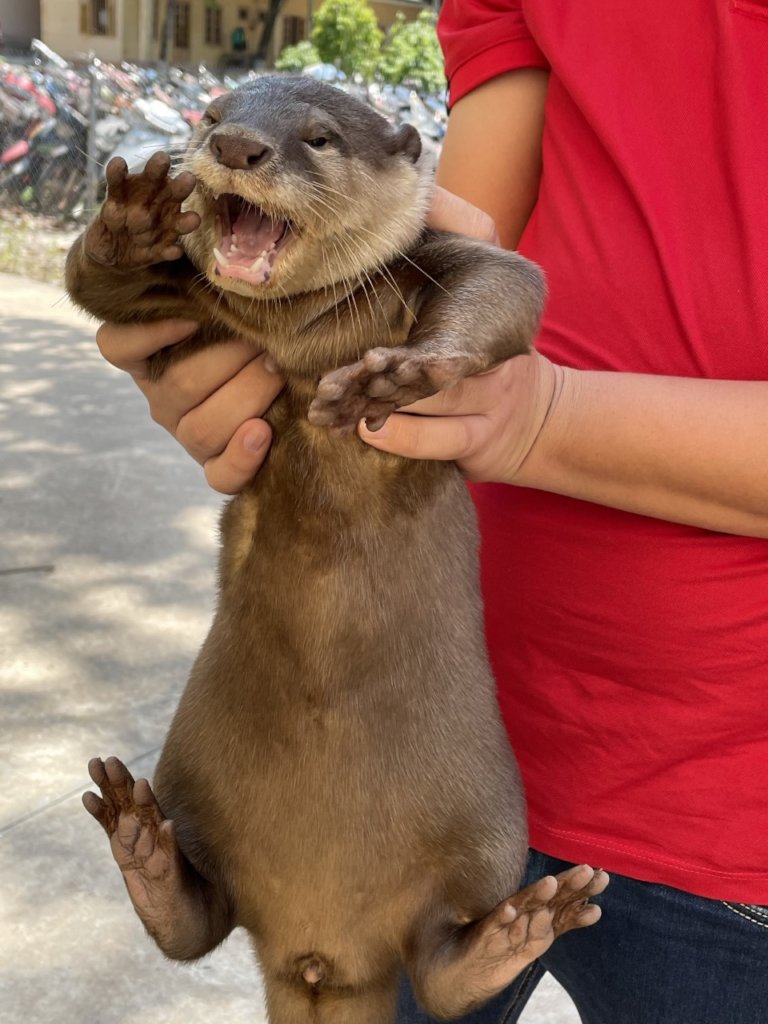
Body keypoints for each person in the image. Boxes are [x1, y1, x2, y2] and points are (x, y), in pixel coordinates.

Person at [94, 1, 768, 1021]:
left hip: (726, 798)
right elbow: (444, 230)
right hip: (413, 732)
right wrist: (267, 335)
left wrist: (537, 416)